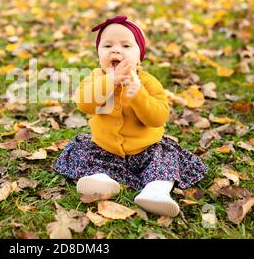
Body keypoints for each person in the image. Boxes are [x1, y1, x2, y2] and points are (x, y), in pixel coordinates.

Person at [54, 15, 209, 217]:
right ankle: (102, 181)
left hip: (146, 149)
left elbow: (158, 118)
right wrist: (109, 81)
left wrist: (139, 96)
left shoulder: (148, 82)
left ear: (139, 56)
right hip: (105, 148)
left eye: (126, 46)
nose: (115, 50)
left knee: (165, 159)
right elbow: (84, 103)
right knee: (83, 152)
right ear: (99, 53)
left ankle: (156, 191)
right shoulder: (97, 78)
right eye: (107, 45)